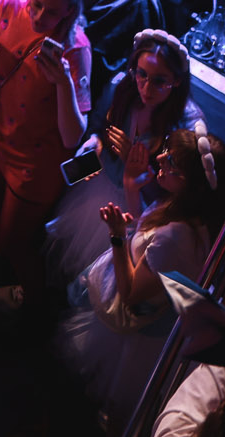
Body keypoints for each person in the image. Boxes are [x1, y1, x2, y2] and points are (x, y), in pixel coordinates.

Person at [56, 128, 225, 425]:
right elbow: (145, 239)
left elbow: (130, 294)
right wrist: (131, 187)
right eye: (166, 150)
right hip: (145, 324)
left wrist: (116, 237)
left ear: (190, 183)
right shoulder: (180, 209)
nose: (159, 158)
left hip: (138, 340)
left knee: (119, 411)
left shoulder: (177, 238)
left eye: (171, 161)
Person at [0, 0, 90, 293]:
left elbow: (73, 136)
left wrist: (64, 84)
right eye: (35, 5)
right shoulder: (10, 5)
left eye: (51, 12)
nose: (39, 17)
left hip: (34, 163)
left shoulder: (76, 48)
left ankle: (34, 307)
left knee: (14, 243)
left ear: (68, 11)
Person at [48, 29, 203, 280]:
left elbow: (172, 194)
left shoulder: (183, 125)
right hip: (100, 186)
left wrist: (139, 171)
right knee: (69, 260)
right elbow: (98, 122)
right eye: (141, 74)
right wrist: (94, 141)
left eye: (159, 81)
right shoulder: (121, 87)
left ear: (176, 81)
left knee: (102, 275)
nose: (146, 88)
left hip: (135, 208)